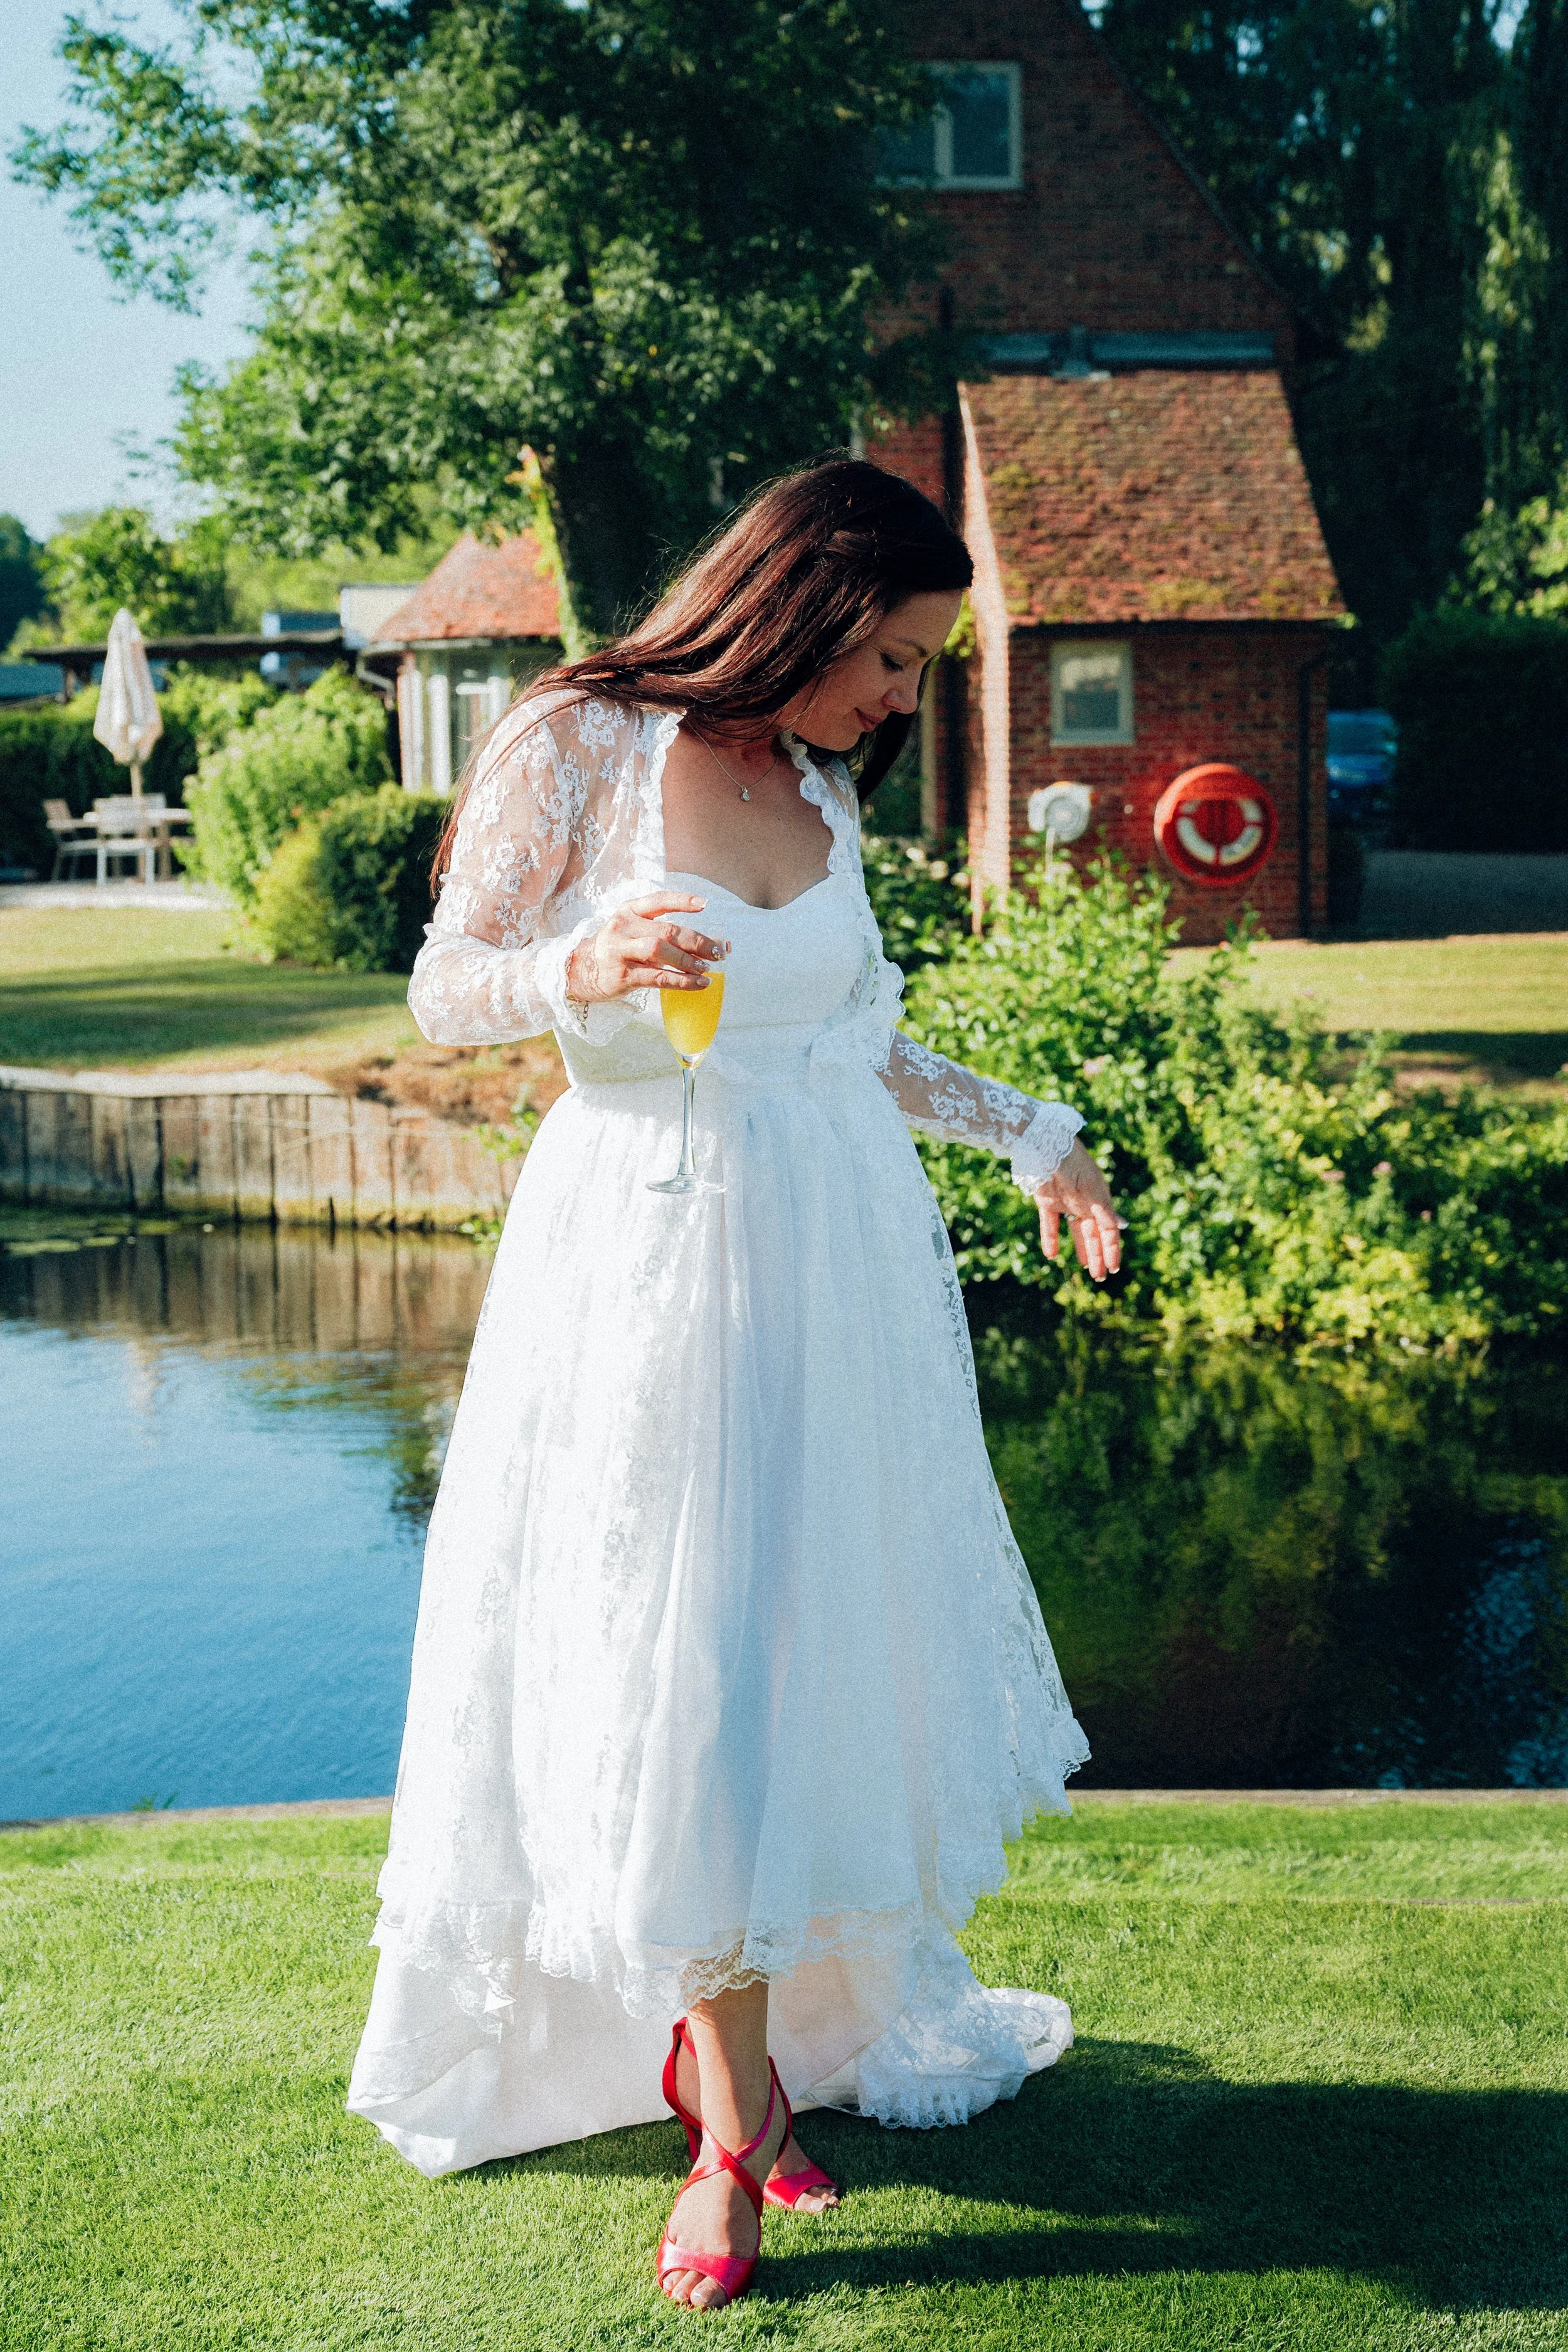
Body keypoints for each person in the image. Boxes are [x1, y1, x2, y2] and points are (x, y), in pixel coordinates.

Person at [347, 458, 1122, 2311]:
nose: (902, 700)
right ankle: (729, 2126)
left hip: (833, 1270)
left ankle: (741, 2055)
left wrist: (1035, 1136)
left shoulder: (822, 786)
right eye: (895, 656)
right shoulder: (581, 736)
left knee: (792, 1647)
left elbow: (851, 1039)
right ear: (802, 599)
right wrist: (575, 960)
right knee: (677, 1658)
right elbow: (446, 984)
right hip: (645, 1260)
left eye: (925, 669)